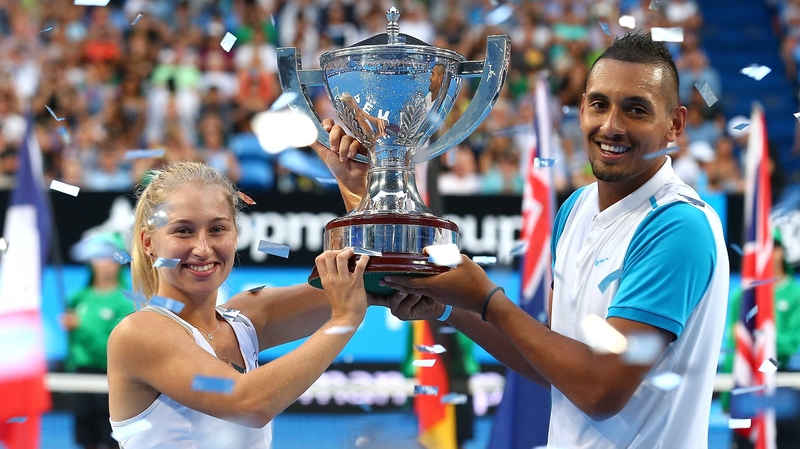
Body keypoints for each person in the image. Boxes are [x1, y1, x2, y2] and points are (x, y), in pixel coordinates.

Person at [326, 32, 730, 447]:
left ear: (675, 125)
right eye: (599, 104)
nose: (611, 125)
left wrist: (488, 300)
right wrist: (453, 308)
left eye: (636, 110)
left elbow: (601, 389)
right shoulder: (576, 208)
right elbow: (553, 363)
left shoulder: (677, 225)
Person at [107, 160, 370, 448]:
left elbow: (369, 278)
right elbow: (248, 402)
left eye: (217, 229)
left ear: (235, 235)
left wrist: (357, 189)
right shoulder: (139, 333)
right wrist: (343, 321)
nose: (203, 248)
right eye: (183, 231)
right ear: (148, 242)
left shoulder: (250, 314)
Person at [722, 228, 800, 448]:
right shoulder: (742, 295)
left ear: (782, 251)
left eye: (774, 246)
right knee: (743, 442)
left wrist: (764, 347)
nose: (769, 253)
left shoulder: (795, 294)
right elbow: (736, 346)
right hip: (746, 389)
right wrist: (730, 394)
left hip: (783, 386)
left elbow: (791, 344)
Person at [62, 232, 135, 449]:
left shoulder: (127, 301)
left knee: (113, 439)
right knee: (87, 439)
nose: (104, 264)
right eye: (99, 257)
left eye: (110, 257)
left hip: (112, 379)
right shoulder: (78, 298)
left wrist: (80, 328)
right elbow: (74, 347)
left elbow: (115, 348)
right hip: (82, 378)